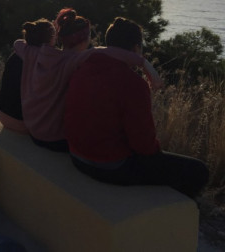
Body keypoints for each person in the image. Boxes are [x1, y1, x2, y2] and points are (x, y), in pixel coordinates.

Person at [64, 17, 208, 198]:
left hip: (76, 156)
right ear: (135, 48)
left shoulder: (83, 66)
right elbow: (144, 146)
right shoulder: (133, 83)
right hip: (110, 167)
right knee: (199, 171)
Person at [14, 8, 161, 152]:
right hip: (55, 139)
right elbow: (106, 51)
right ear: (84, 39)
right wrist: (143, 62)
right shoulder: (73, 60)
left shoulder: (32, 53)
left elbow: (17, 43)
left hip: (32, 130)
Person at [0, 19, 55, 134]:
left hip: (3, 115)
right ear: (50, 39)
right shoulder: (45, 63)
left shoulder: (16, 54)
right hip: (23, 123)